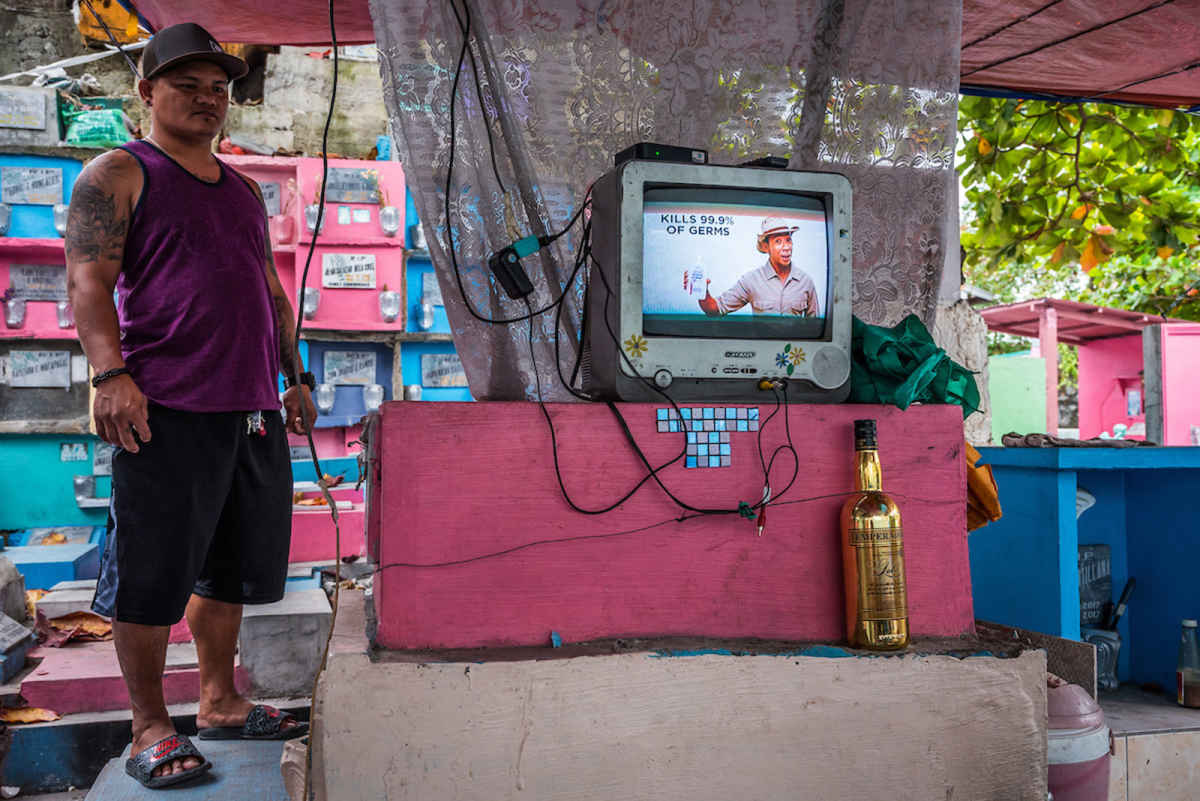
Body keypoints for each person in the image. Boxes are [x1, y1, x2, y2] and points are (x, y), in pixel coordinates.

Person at [65, 23, 316, 790]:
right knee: (151, 571)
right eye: (189, 86)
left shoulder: (240, 188)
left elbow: (270, 291)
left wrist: (294, 376)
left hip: (249, 407)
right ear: (146, 92)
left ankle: (219, 700)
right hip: (165, 405)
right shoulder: (117, 174)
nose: (210, 99)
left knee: (230, 571)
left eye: (220, 89)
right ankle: (150, 726)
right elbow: (88, 282)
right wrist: (110, 376)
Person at [698, 216, 821, 317]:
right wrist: (701, 289)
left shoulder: (806, 281)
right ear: (766, 247)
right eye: (778, 241)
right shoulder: (751, 280)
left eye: (788, 240)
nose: (786, 247)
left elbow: (814, 326)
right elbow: (714, 309)